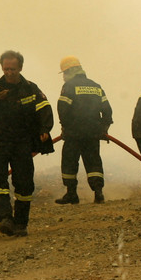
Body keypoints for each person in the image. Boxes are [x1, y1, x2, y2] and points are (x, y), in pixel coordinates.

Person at [0, 50, 54, 238]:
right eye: (6, 68)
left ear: (20, 68)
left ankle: (21, 223)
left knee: (25, 184)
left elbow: (45, 109)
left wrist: (45, 129)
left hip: (22, 143)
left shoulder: (30, 88)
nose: (9, 72)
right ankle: (5, 219)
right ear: (2, 68)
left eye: (13, 69)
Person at [55, 56, 113, 204]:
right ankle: (98, 192)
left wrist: (65, 127)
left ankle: (71, 194)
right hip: (93, 132)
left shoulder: (69, 86)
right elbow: (107, 109)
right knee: (93, 161)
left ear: (68, 71)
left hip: (74, 133)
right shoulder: (96, 86)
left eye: (63, 73)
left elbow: (63, 108)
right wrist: (103, 128)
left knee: (69, 161)